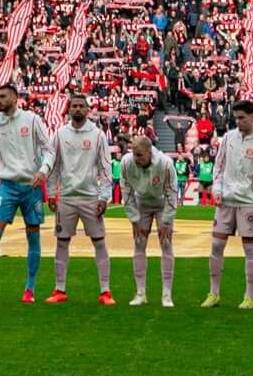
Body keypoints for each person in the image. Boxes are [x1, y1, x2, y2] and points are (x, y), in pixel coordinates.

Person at [0, 86, 53, 305]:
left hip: (31, 186)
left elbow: (49, 149)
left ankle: (30, 288)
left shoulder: (31, 120)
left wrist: (43, 171)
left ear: (15, 98)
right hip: (7, 186)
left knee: (33, 236)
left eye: (2, 96)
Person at [45, 94, 115, 304]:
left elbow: (105, 166)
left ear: (87, 110)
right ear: (69, 110)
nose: (77, 109)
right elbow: (54, 165)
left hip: (90, 197)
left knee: (99, 241)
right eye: (73, 106)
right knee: (62, 242)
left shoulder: (97, 135)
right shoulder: (60, 134)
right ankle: (60, 290)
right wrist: (50, 192)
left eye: (81, 106)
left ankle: (105, 291)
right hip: (66, 196)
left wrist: (104, 196)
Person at [205, 110, 253, 310]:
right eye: (236, 118)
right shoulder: (228, 138)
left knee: (250, 249)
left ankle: (249, 296)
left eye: (242, 117)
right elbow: (218, 168)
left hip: (248, 201)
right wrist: (217, 190)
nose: (238, 121)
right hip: (226, 201)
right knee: (216, 245)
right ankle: (214, 293)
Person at [115, 122, 181, 308]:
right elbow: (126, 191)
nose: (136, 158)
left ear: (149, 152)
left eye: (139, 155)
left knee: (166, 244)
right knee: (139, 244)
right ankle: (140, 293)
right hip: (141, 203)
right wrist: (134, 219)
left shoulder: (166, 164)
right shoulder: (127, 163)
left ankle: (166, 295)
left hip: (162, 204)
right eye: (134, 154)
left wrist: (167, 221)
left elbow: (171, 193)